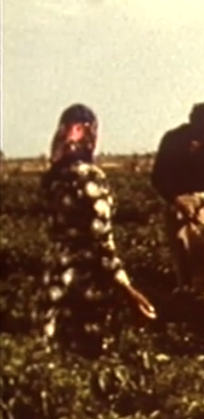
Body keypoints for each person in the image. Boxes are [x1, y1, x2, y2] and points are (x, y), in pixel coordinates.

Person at [40, 104, 155, 357]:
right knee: (89, 358)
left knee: (57, 362)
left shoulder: (53, 178)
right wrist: (128, 290)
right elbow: (100, 242)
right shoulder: (89, 177)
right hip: (87, 283)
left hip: (56, 276)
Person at [150, 102, 204, 287]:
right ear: (193, 121)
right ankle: (186, 294)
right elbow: (157, 176)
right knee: (183, 254)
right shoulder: (173, 139)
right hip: (179, 201)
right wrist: (176, 201)